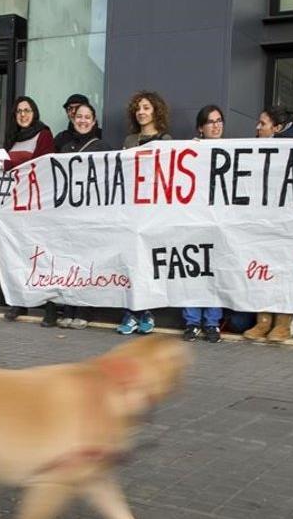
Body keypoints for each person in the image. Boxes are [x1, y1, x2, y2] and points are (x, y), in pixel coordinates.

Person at [43, 102, 113, 329]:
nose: (83, 120)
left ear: (94, 121)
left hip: (91, 216)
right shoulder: (65, 148)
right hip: (67, 216)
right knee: (69, 263)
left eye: (87, 117)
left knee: (87, 263)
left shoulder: (103, 147)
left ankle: (83, 310)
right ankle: (69, 308)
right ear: (73, 120)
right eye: (79, 117)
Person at [242, 105, 293, 343]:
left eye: (262, 124)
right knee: (263, 268)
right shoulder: (257, 148)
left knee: (284, 268)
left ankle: (283, 322)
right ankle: (263, 320)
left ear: (277, 128)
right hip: (263, 219)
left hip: (286, 221)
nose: (257, 128)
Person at [117, 90, 173, 335]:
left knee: (148, 262)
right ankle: (132, 312)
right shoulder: (129, 141)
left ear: (156, 111)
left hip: (154, 210)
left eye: (147, 108)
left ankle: (145, 311)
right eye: (139, 108)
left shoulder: (166, 139)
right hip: (132, 209)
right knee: (131, 262)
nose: (142, 112)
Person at [1, 95, 54, 321]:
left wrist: (12, 165)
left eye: (27, 110)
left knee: (43, 255)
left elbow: (43, 165)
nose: (23, 115)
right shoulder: (11, 139)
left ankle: (50, 306)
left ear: (35, 113)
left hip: (38, 204)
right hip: (16, 205)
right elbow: (4, 169)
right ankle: (20, 302)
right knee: (20, 255)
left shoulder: (44, 134)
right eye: (19, 111)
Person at [181, 105, 227, 343]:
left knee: (214, 274)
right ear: (201, 127)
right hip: (194, 219)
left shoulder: (231, 150)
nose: (216, 125)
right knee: (192, 272)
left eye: (219, 121)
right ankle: (192, 322)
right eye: (211, 122)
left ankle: (211, 322)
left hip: (219, 222)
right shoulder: (189, 151)